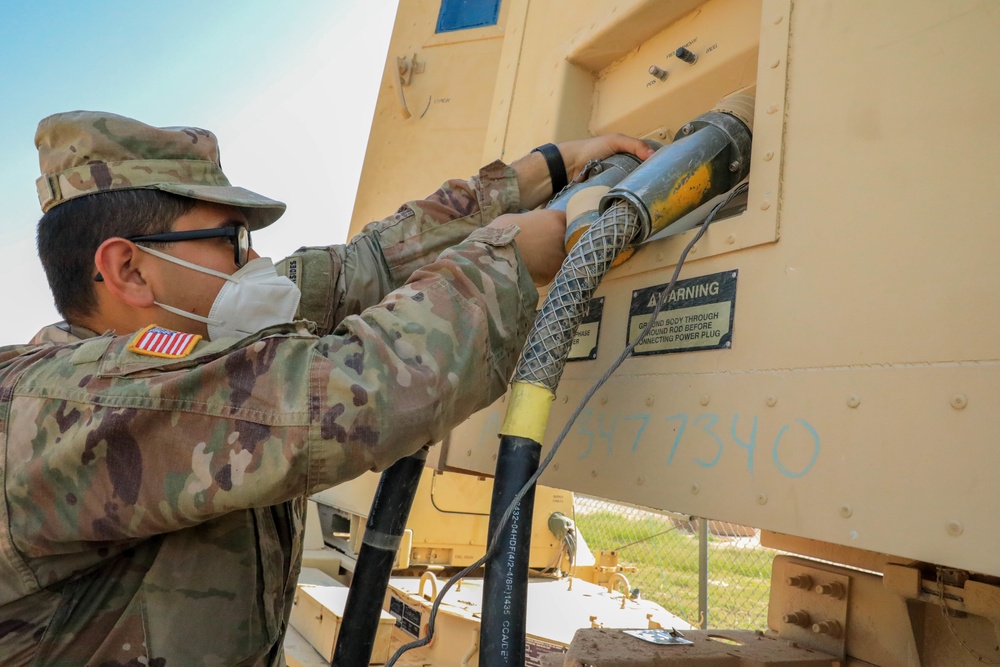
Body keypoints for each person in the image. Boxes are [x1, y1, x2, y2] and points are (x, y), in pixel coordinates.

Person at [0, 110, 653, 666]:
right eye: (234, 240)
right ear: (129, 269)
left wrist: (552, 167)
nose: (256, 262)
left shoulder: (183, 340)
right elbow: (349, 392)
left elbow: (366, 265)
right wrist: (506, 258)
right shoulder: (63, 409)